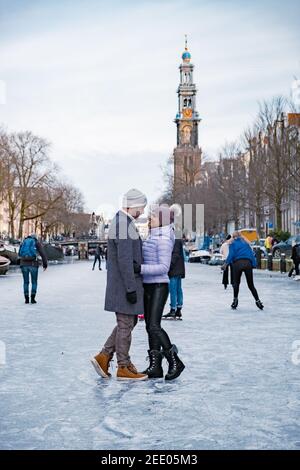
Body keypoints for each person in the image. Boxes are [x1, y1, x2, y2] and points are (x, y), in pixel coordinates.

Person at [91, 188, 148, 381]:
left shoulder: (123, 222)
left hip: (122, 283)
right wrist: (131, 289)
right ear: (132, 205)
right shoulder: (123, 224)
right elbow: (124, 259)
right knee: (125, 324)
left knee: (127, 323)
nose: (142, 212)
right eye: (141, 207)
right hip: (124, 285)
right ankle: (123, 366)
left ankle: (104, 356)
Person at [135, 205, 185, 380]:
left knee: (154, 326)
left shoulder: (163, 238)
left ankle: (175, 360)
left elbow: (164, 267)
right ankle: (155, 367)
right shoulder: (153, 235)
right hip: (149, 285)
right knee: (150, 327)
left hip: (158, 286)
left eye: (153, 217)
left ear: (162, 219)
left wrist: (140, 268)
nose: (150, 219)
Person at [223, 231, 264, 310]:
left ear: (233, 237)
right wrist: (254, 264)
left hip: (237, 264)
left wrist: (226, 264)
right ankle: (258, 301)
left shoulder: (232, 243)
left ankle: (235, 301)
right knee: (251, 285)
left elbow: (231, 254)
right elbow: (251, 254)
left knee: (236, 284)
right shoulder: (246, 243)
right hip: (247, 263)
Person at [19, 234, 48, 304]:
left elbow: (19, 253)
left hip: (24, 264)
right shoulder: (36, 242)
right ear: (35, 237)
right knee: (34, 282)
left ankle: (26, 299)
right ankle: (32, 298)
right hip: (33, 264)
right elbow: (42, 254)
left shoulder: (24, 242)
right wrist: (45, 264)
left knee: (26, 282)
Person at [163, 232, 185, 319]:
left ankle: (173, 310)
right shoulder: (177, 239)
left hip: (174, 269)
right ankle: (178, 309)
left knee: (173, 290)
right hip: (179, 269)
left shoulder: (175, 240)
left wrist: (168, 266)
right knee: (178, 289)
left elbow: (175, 255)